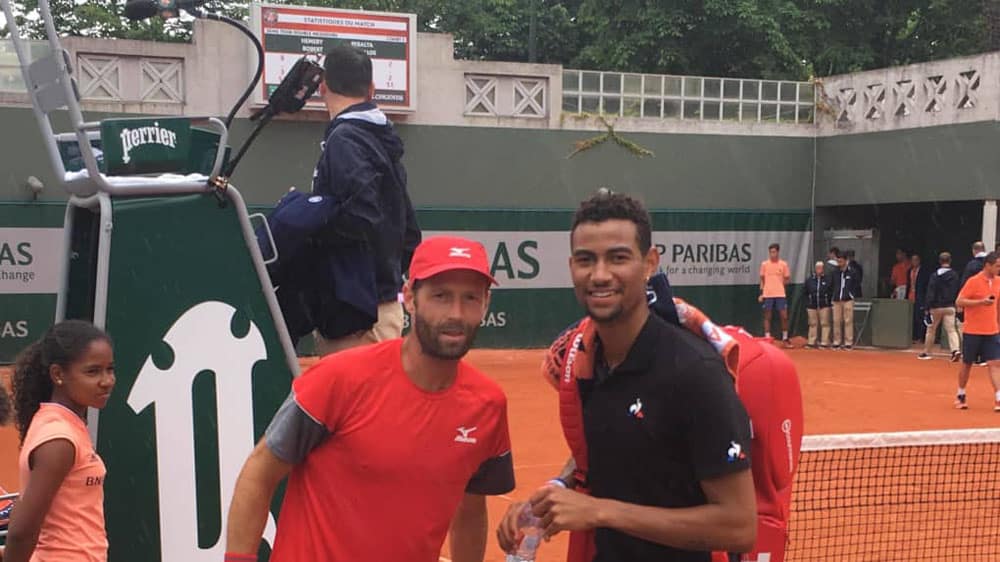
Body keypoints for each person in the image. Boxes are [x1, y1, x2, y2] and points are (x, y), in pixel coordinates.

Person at [497, 191, 755, 561]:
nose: (600, 275)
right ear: (571, 266)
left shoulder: (694, 373)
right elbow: (618, 449)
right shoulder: (589, 361)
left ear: (649, 263)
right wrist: (554, 492)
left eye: (618, 258)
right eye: (586, 260)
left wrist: (600, 511)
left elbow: (739, 526)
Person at [225, 236, 515, 562]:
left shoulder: (488, 406)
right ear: (409, 298)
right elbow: (260, 469)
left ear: (486, 304)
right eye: (441, 296)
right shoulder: (338, 378)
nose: (456, 314)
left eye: (470, 298)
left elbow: (471, 511)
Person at [310, 44, 421, 356]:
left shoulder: (344, 138)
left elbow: (362, 214)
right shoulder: (379, 138)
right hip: (379, 304)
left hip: (355, 312)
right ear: (371, 89)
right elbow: (408, 227)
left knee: (352, 405)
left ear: (323, 88)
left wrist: (312, 233)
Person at [3, 320, 115, 562]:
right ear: (58, 375)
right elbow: (22, 531)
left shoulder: (64, 426)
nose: (106, 380)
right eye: (93, 371)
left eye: (110, 369)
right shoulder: (59, 438)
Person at [952, 251, 1000, 411]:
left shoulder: (999, 282)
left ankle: (998, 397)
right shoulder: (973, 281)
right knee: (967, 364)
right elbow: (959, 301)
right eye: (997, 266)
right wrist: (980, 302)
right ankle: (960, 394)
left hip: (992, 330)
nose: (999, 269)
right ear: (988, 265)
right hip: (972, 330)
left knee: (994, 363)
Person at [919, 252, 961, 361]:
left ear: (940, 261)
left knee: (931, 329)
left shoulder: (934, 276)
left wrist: (927, 307)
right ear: (950, 261)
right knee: (951, 330)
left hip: (936, 306)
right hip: (950, 306)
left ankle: (926, 352)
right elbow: (957, 290)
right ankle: (955, 350)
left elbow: (930, 292)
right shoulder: (955, 275)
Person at [758, 243, 792, 346]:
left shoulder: (783, 264)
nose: (772, 254)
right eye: (770, 252)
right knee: (767, 316)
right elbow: (762, 280)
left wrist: (779, 286)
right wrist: (761, 293)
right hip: (767, 295)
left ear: (778, 252)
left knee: (784, 316)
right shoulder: (764, 264)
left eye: (774, 252)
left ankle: (785, 338)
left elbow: (786, 279)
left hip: (780, 295)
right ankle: (767, 337)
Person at [831, 251, 861, 350]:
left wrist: (851, 295)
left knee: (848, 321)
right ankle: (837, 342)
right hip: (836, 300)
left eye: (841, 261)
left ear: (846, 261)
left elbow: (856, 284)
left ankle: (848, 342)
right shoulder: (835, 272)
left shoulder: (853, 272)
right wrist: (834, 295)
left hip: (848, 300)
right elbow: (832, 284)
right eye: (838, 261)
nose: (839, 263)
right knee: (836, 321)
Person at [805, 260, 833, 349]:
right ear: (815, 269)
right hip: (812, 305)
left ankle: (824, 342)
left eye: (820, 268)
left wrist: (827, 301)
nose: (819, 269)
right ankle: (811, 342)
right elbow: (805, 292)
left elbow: (831, 292)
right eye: (817, 268)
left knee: (825, 323)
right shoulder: (810, 280)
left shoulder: (828, 279)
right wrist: (808, 301)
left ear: (823, 269)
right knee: (813, 324)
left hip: (824, 305)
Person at [907, 254, 930, 343]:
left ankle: (920, 338)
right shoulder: (909, 271)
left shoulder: (924, 272)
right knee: (911, 318)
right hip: (910, 296)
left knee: (920, 318)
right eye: (912, 260)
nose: (914, 262)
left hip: (920, 298)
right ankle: (912, 336)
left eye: (916, 260)